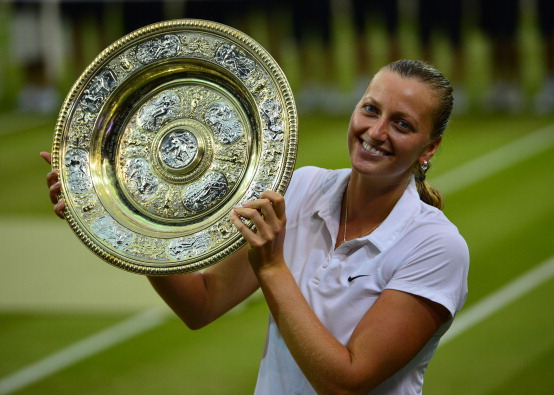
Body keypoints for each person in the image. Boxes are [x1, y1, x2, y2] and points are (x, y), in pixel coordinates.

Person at [42, 59, 469, 394]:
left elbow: (346, 383)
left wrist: (271, 268)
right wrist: (117, 218)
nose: (375, 132)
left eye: (402, 124)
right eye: (370, 109)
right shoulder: (301, 188)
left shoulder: (436, 247)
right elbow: (202, 304)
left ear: (430, 147)